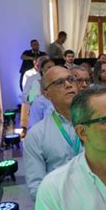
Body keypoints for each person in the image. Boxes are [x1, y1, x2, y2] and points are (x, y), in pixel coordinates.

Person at [24, 66, 81, 200]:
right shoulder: (37, 135)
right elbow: (36, 188)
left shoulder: (96, 121)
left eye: (71, 79)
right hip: (61, 203)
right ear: (46, 94)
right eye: (59, 82)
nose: (68, 85)